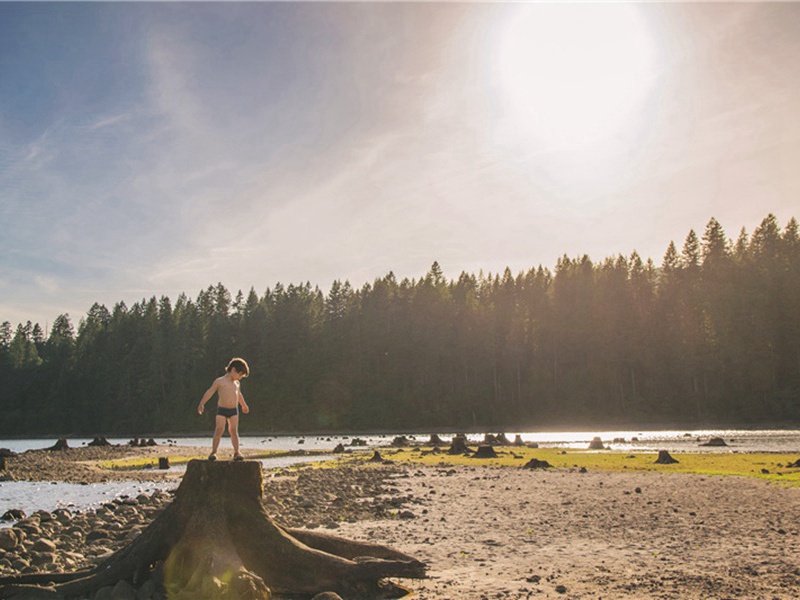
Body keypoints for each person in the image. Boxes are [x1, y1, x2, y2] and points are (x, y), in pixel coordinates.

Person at [197, 357, 250, 461]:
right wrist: (201, 403)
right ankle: (214, 452)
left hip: (233, 410)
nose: (240, 378)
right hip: (222, 409)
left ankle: (236, 452)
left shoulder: (237, 383)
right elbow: (210, 392)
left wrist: (244, 405)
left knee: (233, 431)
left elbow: (239, 394)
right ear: (233, 370)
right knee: (219, 429)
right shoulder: (220, 381)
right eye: (240, 375)